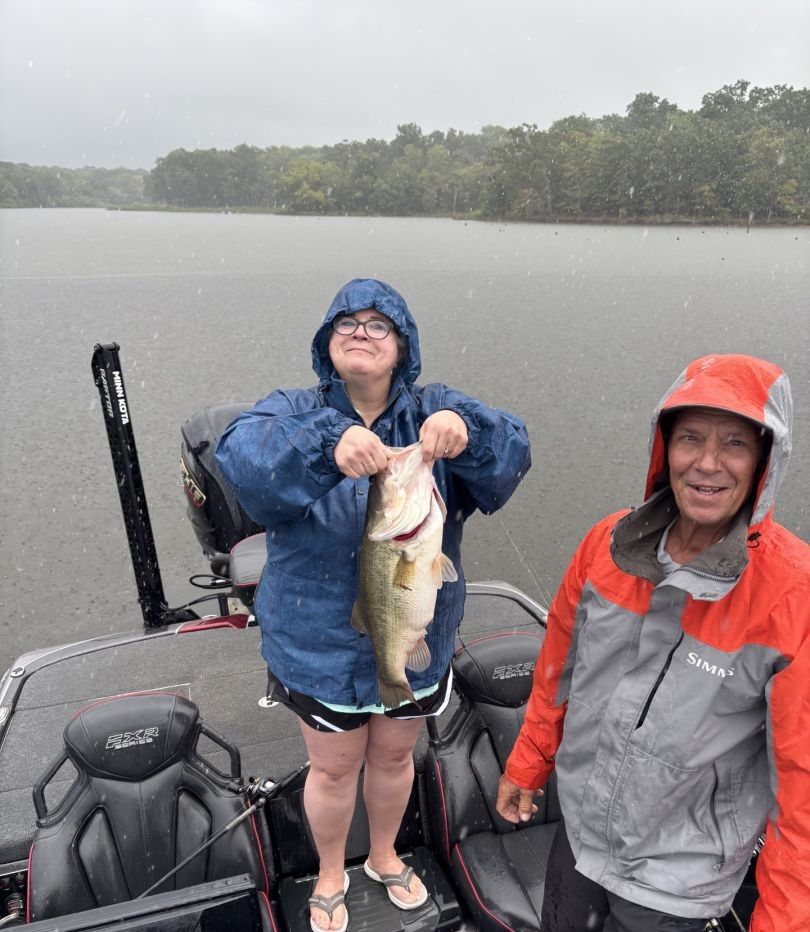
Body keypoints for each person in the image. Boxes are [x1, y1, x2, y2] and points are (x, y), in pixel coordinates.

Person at [216, 278, 530, 932]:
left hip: (413, 643)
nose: (360, 331)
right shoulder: (292, 411)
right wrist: (324, 447)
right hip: (316, 646)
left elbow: (512, 456)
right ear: (326, 343)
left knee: (393, 759)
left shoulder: (435, 407)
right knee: (332, 772)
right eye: (346, 323)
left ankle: (385, 856)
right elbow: (241, 461)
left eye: (377, 323)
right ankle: (331, 872)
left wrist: (465, 430)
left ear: (404, 345)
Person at [496, 354, 810, 932]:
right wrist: (527, 762)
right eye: (690, 437)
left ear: (767, 459)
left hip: (678, 885)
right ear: (664, 447)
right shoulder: (606, 545)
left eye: (735, 444)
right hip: (582, 840)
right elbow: (558, 668)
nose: (707, 463)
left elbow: (803, 789)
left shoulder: (794, 597)